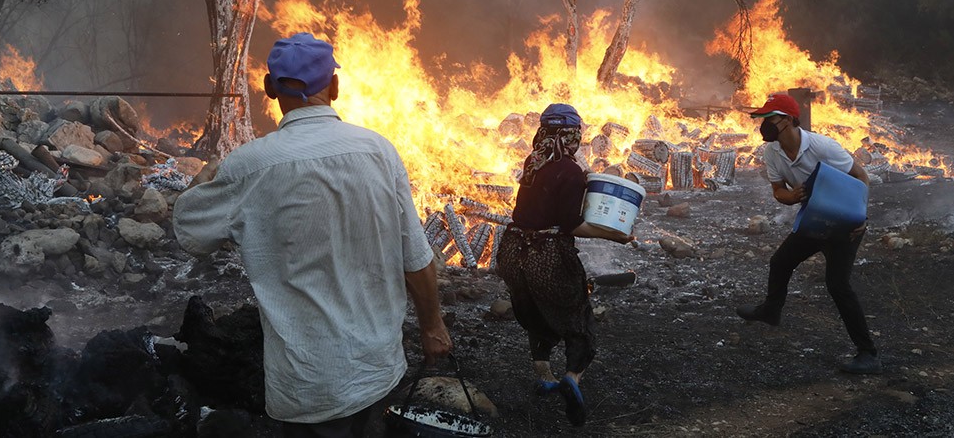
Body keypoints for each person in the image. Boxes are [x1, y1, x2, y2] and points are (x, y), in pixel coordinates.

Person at [173, 32, 452, 437]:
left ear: (269, 89)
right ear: (335, 87)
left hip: (306, 381)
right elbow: (417, 259)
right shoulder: (379, 151)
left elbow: (190, 231)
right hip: (377, 368)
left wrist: (202, 179)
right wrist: (432, 327)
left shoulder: (248, 166)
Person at [494, 103, 634, 427]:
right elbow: (572, 225)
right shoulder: (570, 171)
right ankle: (572, 379)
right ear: (573, 134)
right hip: (547, 256)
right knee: (578, 319)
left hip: (513, 253)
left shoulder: (533, 161)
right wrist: (617, 235)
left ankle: (543, 375)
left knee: (535, 310)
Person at [734, 92, 883, 375]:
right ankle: (771, 310)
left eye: (769, 118)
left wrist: (861, 216)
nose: (762, 124)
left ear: (788, 120)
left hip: (844, 222)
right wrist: (788, 197)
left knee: (838, 285)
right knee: (780, 262)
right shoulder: (772, 151)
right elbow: (778, 190)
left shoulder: (823, 146)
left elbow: (861, 176)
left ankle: (869, 354)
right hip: (814, 218)